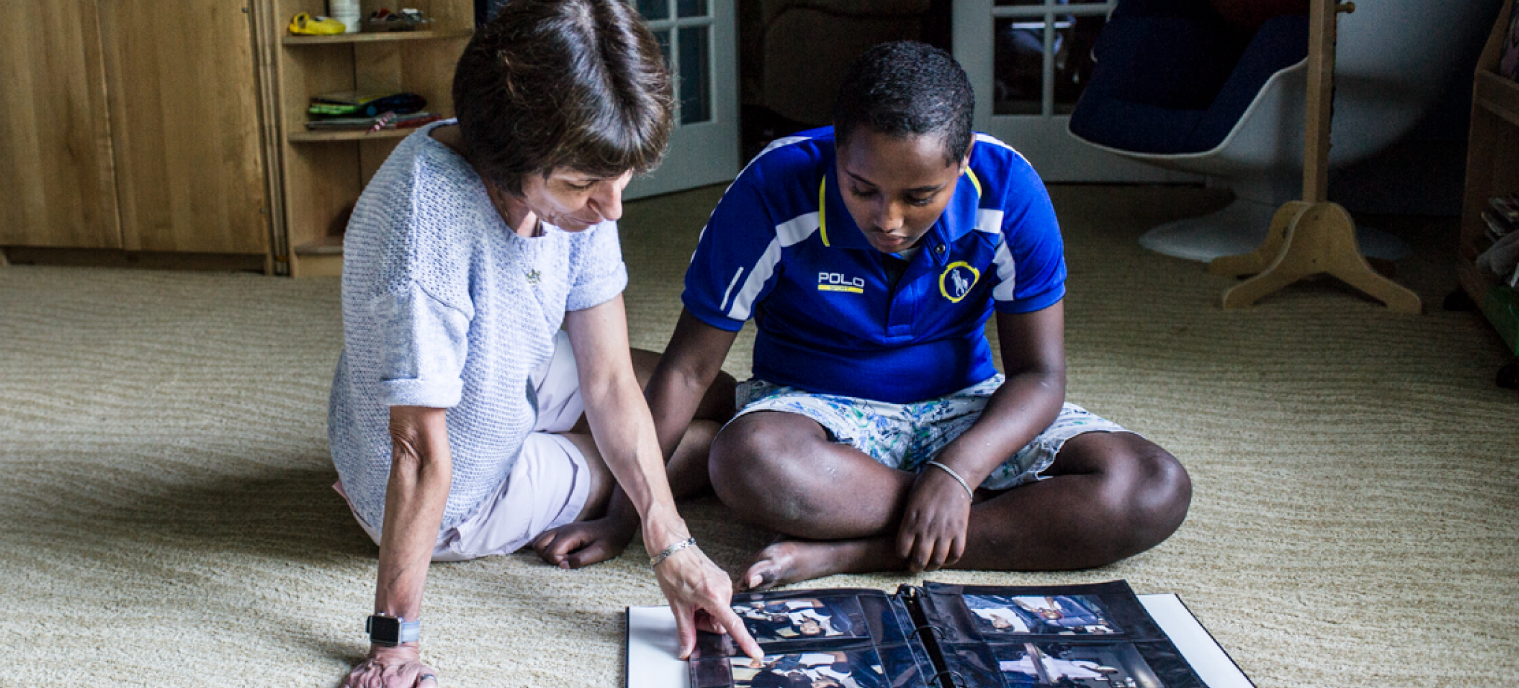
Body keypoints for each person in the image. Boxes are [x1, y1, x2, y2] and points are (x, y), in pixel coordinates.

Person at [640, 41, 1192, 590]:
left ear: (964, 161)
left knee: (1153, 485)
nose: (890, 220)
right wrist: (628, 516)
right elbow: (689, 370)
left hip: (964, 406)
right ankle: (1004, 515)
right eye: (863, 189)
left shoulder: (1009, 190)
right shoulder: (771, 188)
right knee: (748, 461)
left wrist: (958, 471)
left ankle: (859, 551)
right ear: (837, 149)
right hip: (815, 411)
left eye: (920, 195)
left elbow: (1040, 375)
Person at [327, 1, 759, 685]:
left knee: (717, 395)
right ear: (504, 157)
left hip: (505, 368)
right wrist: (393, 644)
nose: (612, 208)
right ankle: (684, 461)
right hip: (457, 488)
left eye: (620, 182)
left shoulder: (582, 171)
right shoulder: (422, 233)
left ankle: (662, 463)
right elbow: (416, 451)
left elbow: (611, 381)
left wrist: (669, 539)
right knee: (697, 445)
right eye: (584, 187)